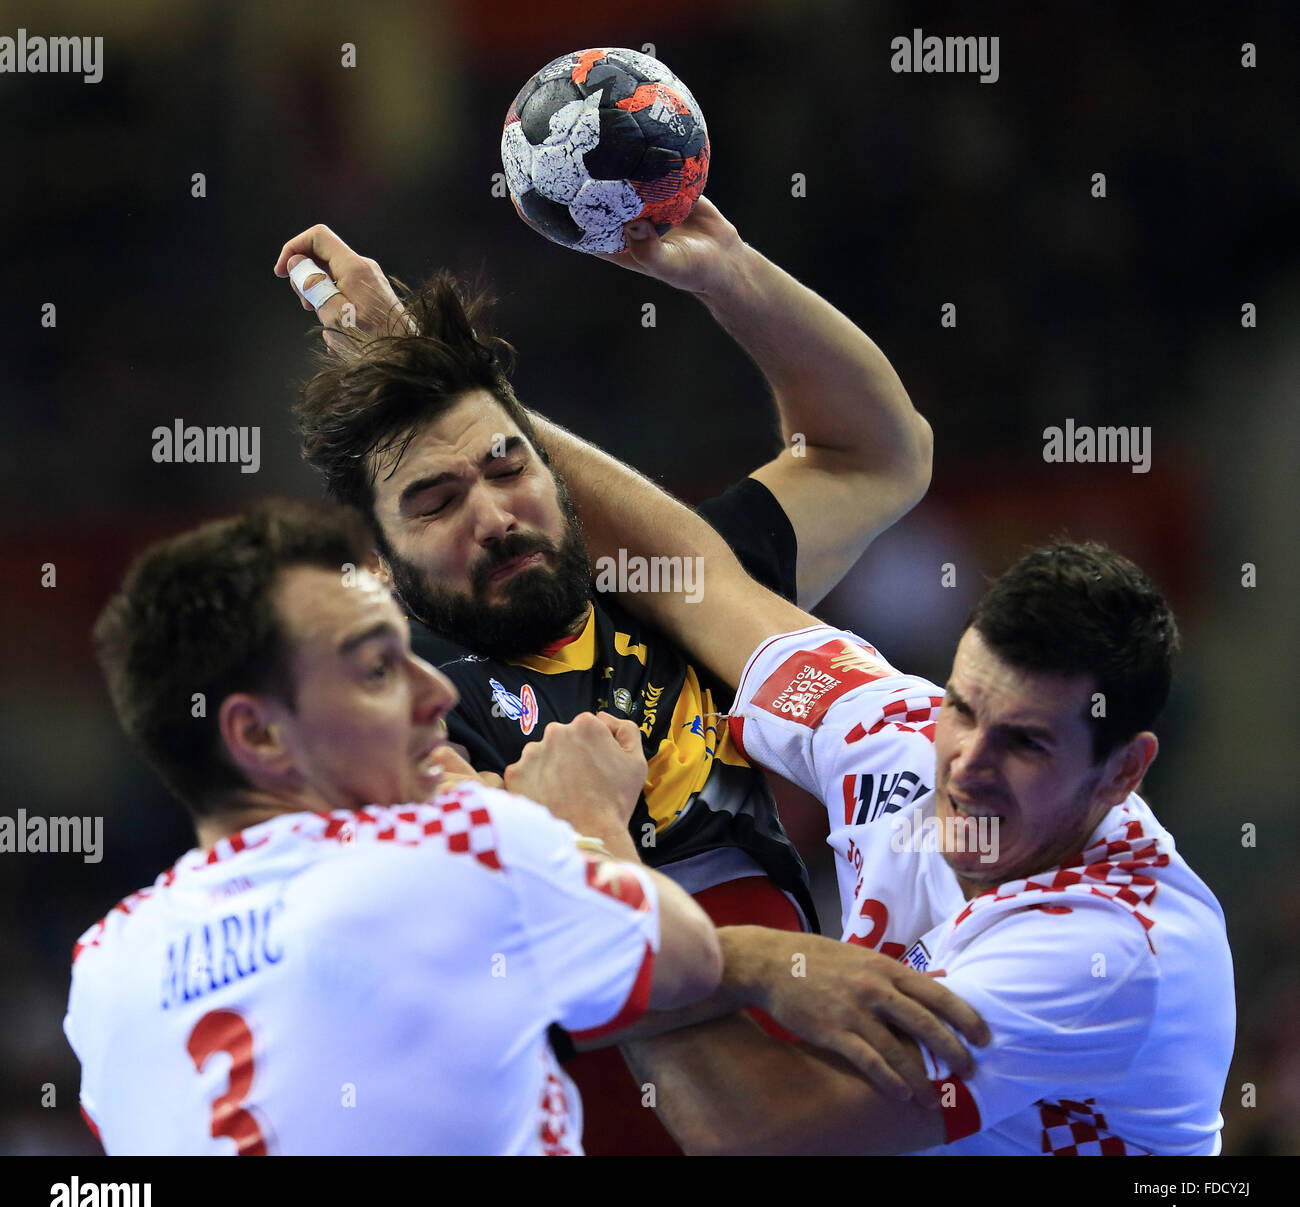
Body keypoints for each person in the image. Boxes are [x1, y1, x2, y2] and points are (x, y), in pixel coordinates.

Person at [272, 202, 934, 1152]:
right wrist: (773, 965)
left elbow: (879, 455)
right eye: (437, 501)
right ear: (382, 560)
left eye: (510, 469)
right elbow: (543, 934)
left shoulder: (680, 592)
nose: (496, 516)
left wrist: (729, 277)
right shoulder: (403, 706)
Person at [552, 451, 1236, 1155]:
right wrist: (487, 412)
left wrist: (599, 854)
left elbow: (758, 1134)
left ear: (1124, 770)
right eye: (965, 708)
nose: (969, 767)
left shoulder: (1104, 949)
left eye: (1027, 745)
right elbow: (692, 578)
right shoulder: (900, 733)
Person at [65, 499, 728, 1154]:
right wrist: (584, 816)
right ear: (260, 734)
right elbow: (688, 958)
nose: (435, 691)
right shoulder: (458, 843)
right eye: (378, 669)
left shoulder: (102, 967)